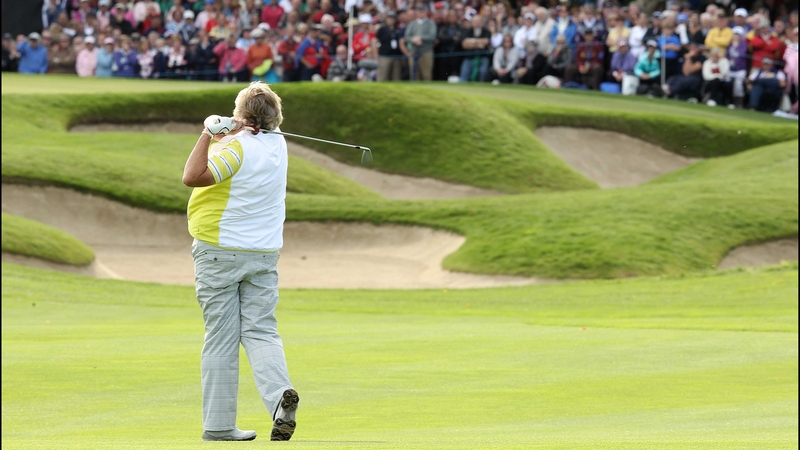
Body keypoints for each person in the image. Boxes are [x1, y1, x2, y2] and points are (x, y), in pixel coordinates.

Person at [181, 81, 299, 443]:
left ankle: (218, 426)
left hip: (219, 251)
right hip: (263, 255)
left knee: (220, 338)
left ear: (243, 116)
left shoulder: (235, 148)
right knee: (261, 330)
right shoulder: (279, 144)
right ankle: (280, 398)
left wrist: (208, 133)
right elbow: (258, 136)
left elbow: (192, 177)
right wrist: (234, 130)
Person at [403, 4, 436, 81]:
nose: (421, 13)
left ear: (426, 12)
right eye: (419, 11)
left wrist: (420, 38)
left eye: (422, 11)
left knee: (426, 74)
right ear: (416, 12)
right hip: (414, 51)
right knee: (414, 74)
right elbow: (406, 37)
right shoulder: (412, 24)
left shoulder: (431, 23)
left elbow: (432, 36)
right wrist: (413, 39)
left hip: (426, 50)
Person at [459, 14, 491, 82]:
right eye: (475, 22)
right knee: (464, 74)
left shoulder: (486, 32)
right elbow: (464, 44)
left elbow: (486, 42)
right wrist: (478, 44)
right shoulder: (467, 31)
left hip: (482, 57)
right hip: (469, 57)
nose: (477, 24)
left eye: (479, 22)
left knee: (483, 72)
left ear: (482, 23)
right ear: (472, 23)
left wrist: (471, 42)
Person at [376, 11, 404, 81]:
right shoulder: (382, 29)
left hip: (396, 56)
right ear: (386, 19)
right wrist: (376, 55)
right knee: (382, 76)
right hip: (384, 56)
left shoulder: (398, 29)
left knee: (396, 76)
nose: (391, 20)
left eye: (392, 18)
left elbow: (401, 42)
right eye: (389, 18)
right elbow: (375, 42)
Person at [727, 26, 748, 108]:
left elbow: (740, 55)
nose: (736, 36)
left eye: (738, 34)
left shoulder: (744, 45)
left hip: (740, 69)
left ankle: (739, 102)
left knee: (738, 85)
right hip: (730, 69)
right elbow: (727, 56)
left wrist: (735, 47)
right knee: (726, 82)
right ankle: (728, 100)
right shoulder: (729, 44)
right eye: (735, 34)